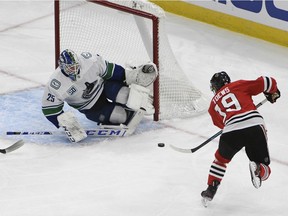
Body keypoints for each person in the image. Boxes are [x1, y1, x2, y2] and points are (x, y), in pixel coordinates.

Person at [42, 49, 158, 142]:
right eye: (70, 68)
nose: (74, 70)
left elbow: (110, 71)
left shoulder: (89, 61)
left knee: (125, 95)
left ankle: (144, 100)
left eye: (75, 66)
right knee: (121, 116)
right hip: (91, 108)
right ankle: (126, 111)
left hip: (103, 88)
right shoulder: (56, 84)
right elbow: (50, 109)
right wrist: (66, 124)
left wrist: (128, 76)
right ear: (62, 67)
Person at [201, 71, 280, 206]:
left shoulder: (212, 106)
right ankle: (259, 169)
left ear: (215, 86)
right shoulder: (238, 85)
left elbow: (219, 123)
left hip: (231, 130)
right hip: (254, 124)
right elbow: (267, 81)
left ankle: (211, 189)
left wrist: (233, 121)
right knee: (265, 167)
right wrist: (273, 92)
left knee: (220, 160)